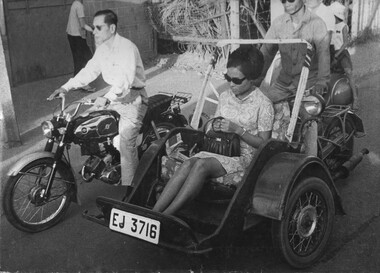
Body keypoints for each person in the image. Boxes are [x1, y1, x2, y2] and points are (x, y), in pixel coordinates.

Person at [153, 46, 274, 215]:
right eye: (227, 78)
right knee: (189, 163)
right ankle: (154, 212)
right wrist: (213, 126)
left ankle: (167, 215)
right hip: (218, 149)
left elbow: (264, 144)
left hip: (245, 158)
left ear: (252, 78)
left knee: (201, 165)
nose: (231, 84)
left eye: (237, 80)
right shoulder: (225, 97)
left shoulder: (263, 104)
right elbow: (210, 129)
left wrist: (238, 130)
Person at [48, 9, 148, 190]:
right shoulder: (102, 50)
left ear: (112, 28)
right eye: (93, 27)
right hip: (114, 97)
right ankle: (103, 159)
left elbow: (124, 81)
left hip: (132, 99)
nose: (94, 31)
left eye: (98, 28)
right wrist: (65, 87)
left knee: (126, 145)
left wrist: (106, 98)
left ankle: (131, 191)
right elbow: (89, 72)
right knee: (82, 125)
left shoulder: (127, 48)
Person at [259, 0, 330, 156]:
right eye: (283, 0)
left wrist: (322, 81)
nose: (287, 3)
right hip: (284, 83)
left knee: (308, 120)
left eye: (291, 0)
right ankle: (266, 150)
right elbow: (266, 52)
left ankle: (311, 161)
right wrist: (255, 79)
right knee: (261, 105)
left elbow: (324, 53)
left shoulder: (316, 24)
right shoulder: (278, 23)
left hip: (308, 83)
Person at [330, 1, 359, 110]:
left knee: (349, 73)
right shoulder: (331, 26)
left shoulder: (343, 26)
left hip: (342, 53)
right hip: (333, 53)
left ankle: (355, 99)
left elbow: (346, 43)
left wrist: (337, 55)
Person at [66, 0, 95, 92]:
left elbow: (80, 23)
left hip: (72, 35)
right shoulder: (79, 6)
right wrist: (92, 30)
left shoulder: (75, 3)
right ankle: (83, 84)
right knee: (88, 58)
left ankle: (77, 83)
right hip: (76, 36)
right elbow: (82, 25)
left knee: (78, 60)